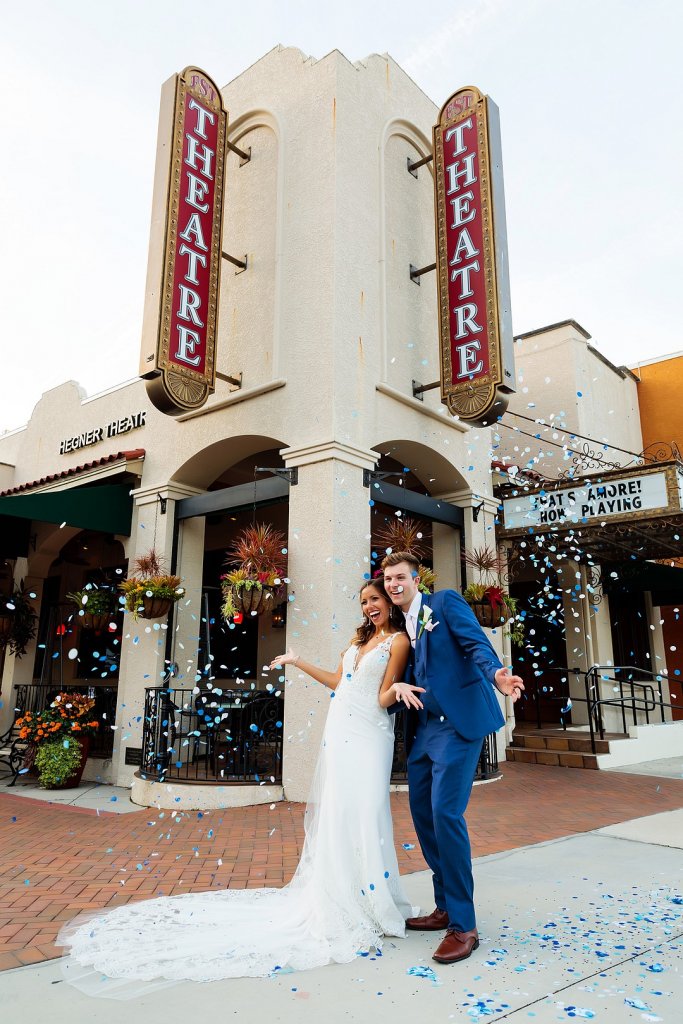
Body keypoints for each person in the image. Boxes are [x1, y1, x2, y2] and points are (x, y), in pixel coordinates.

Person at [57, 578, 423, 992]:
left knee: (368, 810)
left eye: (374, 599)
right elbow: (341, 683)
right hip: (340, 729)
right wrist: (299, 661)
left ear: (387, 602)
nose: (369, 607)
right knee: (339, 811)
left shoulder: (398, 642)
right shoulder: (355, 644)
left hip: (370, 733)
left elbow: (378, 698)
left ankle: (375, 899)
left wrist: (397, 688)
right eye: (363, 602)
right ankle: (344, 896)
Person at [382, 550, 524, 966]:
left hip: (457, 726)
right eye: (388, 578)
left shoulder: (443, 602)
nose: (393, 584)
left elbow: (476, 643)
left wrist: (497, 673)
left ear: (415, 580)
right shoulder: (398, 626)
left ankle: (463, 925)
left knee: (446, 814)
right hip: (423, 730)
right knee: (423, 818)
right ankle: (443, 905)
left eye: (400, 578)